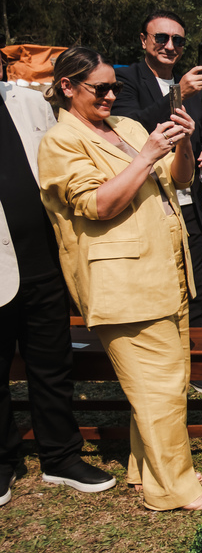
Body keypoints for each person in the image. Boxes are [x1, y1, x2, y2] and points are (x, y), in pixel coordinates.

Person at [38, 47, 202, 511]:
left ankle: (145, 468)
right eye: (101, 88)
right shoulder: (59, 142)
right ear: (67, 88)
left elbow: (179, 181)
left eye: (115, 87)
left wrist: (180, 145)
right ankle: (173, 488)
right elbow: (98, 206)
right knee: (156, 386)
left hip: (168, 271)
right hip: (123, 281)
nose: (111, 96)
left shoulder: (128, 126)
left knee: (169, 381)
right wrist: (145, 157)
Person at [1, 72, 116, 506]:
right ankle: (2, 461)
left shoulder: (29, 103)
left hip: (44, 261)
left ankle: (60, 457)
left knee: (52, 365)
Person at [112, 10, 202, 393]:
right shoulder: (124, 80)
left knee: (195, 284)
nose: (170, 46)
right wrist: (180, 94)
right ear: (143, 40)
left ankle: (201, 363)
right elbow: (127, 131)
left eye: (178, 41)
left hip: (190, 198)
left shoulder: (197, 89)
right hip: (147, 202)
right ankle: (159, 365)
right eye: (161, 38)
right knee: (157, 285)